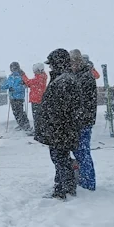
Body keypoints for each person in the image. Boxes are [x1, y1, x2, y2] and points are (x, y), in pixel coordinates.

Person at [35, 49, 81, 200]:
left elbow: (62, 108)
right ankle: (61, 186)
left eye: (52, 64)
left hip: (60, 129)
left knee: (60, 159)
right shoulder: (61, 78)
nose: (50, 68)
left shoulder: (64, 80)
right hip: (59, 128)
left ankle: (65, 189)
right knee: (59, 158)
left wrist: (53, 125)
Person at [70, 50, 98, 191]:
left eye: (73, 62)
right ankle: (84, 179)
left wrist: (79, 116)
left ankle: (88, 182)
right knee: (80, 151)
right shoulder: (79, 75)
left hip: (83, 121)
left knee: (82, 151)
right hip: (80, 120)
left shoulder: (85, 77)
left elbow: (85, 101)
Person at [1, 62, 32, 132]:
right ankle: (21, 124)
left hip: (19, 97)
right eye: (11, 68)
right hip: (12, 97)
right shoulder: (11, 76)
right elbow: (7, 85)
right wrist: (0, 87)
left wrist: (14, 89)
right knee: (15, 112)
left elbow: (24, 86)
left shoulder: (22, 76)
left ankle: (26, 125)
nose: (12, 69)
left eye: (13, 68)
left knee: (20, 112)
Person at [21, 63, 48, 132]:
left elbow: (28, 82)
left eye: (35, 70)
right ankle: (40, 130)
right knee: (39, 116)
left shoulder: (38, 78)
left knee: (36, 117)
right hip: (40, 99)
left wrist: (23, 75)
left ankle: (38, 131)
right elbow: (32, 84)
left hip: (36, 99)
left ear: (39, 70)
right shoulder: (43, 77)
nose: (34, 71)